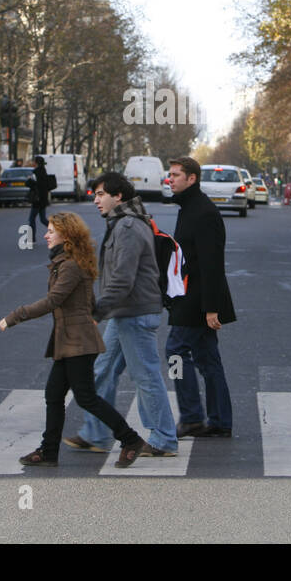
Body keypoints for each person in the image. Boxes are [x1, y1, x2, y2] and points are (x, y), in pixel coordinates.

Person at [0, 212, 146, 468]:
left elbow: (53, 301)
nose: (45, 235)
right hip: (69, 340)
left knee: (86, 397)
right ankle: (48, 451)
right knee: (54, 394)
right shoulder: (68, 261)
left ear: (65, 236)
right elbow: (87, 302)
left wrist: (15, 316)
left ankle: (130, 439)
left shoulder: (69, 265)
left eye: (51, 231)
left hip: (77, 342)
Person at [63, 172, 179, 458]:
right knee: (101, 371)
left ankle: (164, 439)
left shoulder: (127, 226)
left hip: (135, 313)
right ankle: (97, 433)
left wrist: (96, 312)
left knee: (146, 378)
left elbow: (123, 280)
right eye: (95, 194)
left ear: (119, 197)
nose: (96, 200)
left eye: (101, 194)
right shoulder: (122, 223)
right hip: (124, 312)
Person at [165, 156, 236, 437]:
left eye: (175, 175)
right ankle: (219, 421)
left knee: (176, 352)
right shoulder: (189, 207)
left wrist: (211, 308)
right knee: (207, 359)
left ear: (191, 179)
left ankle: (193, 416)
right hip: (190, 294)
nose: (170, 179)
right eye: (169, 175)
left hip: (197, 299)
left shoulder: (203, 212)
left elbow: (211, 264)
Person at [26, 155, 51, 232]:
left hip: (37, 199)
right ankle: (57, 231)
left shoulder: (36, 172)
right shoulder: (44, 171)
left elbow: (31, 184)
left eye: (34, 161)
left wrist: (29, 180)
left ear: (36, 163)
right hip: (43, 199)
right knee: (43, 219)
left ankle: (32, 238)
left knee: (32, 219)